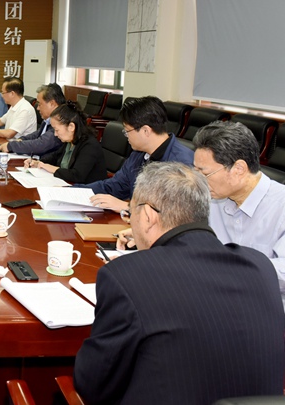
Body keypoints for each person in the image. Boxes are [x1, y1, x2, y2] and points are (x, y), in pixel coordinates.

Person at [74, 162, 284, 405]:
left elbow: (93, 383)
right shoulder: (260, 266)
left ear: (148, 216)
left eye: (130, 213)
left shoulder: (125, 276)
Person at [192, 121, 285, 302]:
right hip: (218, 297)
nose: (199, 181)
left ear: (239, 169)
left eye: (204, 173)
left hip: (266, 306)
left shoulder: (281, 205)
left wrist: (230, 268)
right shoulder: (213, 197)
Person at [82, 96, 193, 212]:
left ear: (145, 131)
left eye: (127, 131)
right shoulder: (138, 154)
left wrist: (128, 207)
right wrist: (72, 190)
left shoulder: (183, 164)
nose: (126, 136)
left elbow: (175, 213)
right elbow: (114, 186)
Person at [24, 101, 106, 184]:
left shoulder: (90, 146)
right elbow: (55, 157)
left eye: (57, 130)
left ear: (71, 127)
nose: (55, 134)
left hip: (87, 189)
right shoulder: (70, 140)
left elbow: (77, 175)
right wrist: (37, 162)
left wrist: (50, 168)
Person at [0, 83, 64, 157]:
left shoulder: (61, 122)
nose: (37, 108)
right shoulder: (48, 120)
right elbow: (36, 135)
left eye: (40, 104)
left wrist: (11, 146)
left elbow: (40, 145)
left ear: (52, 104)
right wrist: (21, 140)